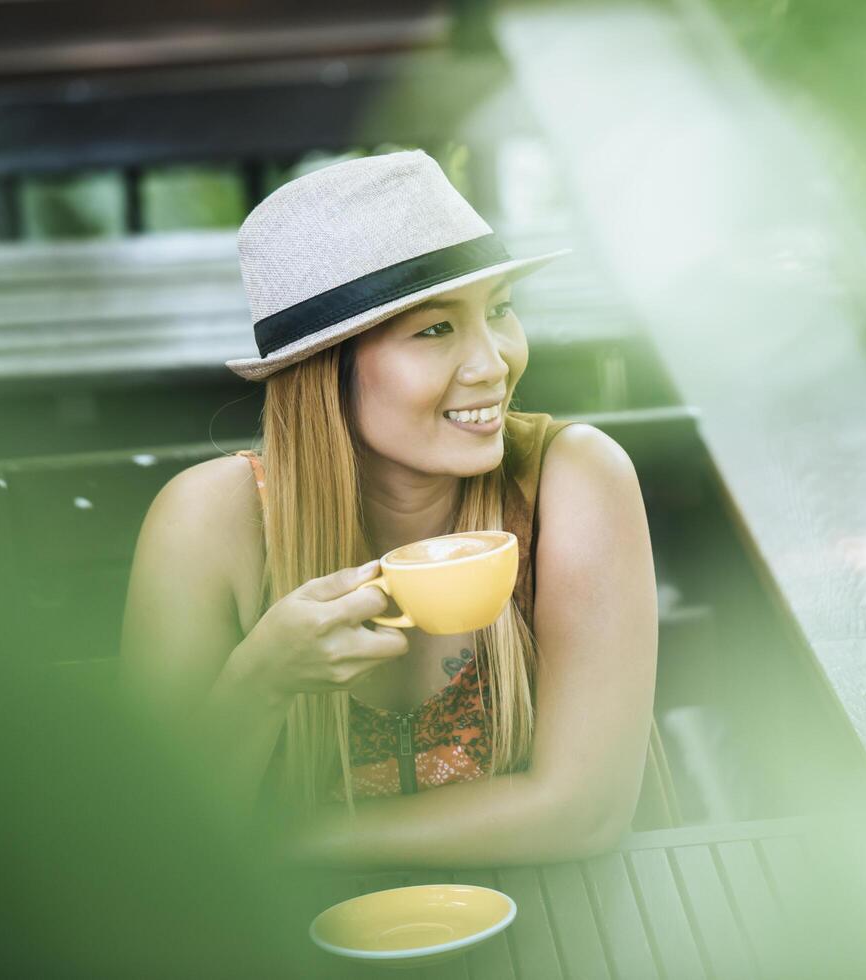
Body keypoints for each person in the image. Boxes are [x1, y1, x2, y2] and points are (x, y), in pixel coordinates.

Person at [118, 149, 659, 869]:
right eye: (435, 329)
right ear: (325, 371)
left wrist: (280, 848)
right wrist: (265, 678)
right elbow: (150, 838)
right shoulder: (210, 521)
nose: (493, 362)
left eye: (498, 310)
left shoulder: (572, 478)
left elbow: (583, 812)